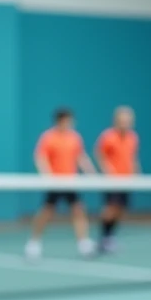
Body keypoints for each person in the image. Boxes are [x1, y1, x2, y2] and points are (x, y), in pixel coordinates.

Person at [25, 108, 98, 260]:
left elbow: (81, 157)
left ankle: (83, 243)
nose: (70, 123)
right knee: (47, 212)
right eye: (67, 120)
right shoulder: (48, 137)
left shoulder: (74, 137)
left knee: (78, 210)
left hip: (70, 182)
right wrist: (47, 175)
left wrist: (91, 173)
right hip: (55, 182)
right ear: (60, 121)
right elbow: (40, 157)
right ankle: (34, 243)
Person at [94, 105, 141, 253]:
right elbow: (100, 154)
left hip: (127, 181)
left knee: (121, 209)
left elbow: (133, 157)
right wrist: (108, 170)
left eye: (128, 120)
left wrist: (136, 171)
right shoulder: (108, 136)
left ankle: (111, 237)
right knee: (110, 209)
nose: (125, 123)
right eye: (122, 120)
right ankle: (103, 238)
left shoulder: (133, 137)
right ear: (116, 120)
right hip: (112, 181)